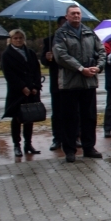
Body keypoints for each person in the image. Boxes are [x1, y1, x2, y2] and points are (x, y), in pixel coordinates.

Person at [53, 5, 106, 163]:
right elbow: (60, 55)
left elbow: (102, 51)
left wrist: (98, 66)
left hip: (89, 82)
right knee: (69, 118)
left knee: (89, 117)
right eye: (73, 14)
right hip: (70, 83)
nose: (76, 16)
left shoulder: (89, 32)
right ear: (67, 16)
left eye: (78, 13)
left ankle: (89, 147)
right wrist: (80, 68)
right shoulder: (60, 34)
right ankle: (70, 150)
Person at [1, 29, 43, 158]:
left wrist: (36, 86)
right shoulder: (7, 54)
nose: (18, 40)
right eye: (15, 38)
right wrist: (22, 87)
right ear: (11, 39)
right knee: (17, 119)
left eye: (20, 38)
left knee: (29, 118)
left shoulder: (30, 53)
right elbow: (9, 74)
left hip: (31, 91)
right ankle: (16, 145)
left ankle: (28, 144)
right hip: (17, 92)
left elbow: (36, 70)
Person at [41, 16, 69, 150]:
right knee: (57, 112)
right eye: (62, 24)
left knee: (72, 112)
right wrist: (47, 59)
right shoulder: (49, 41)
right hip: (57, 82)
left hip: (71, 81)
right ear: (58, 26)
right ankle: (57, 138)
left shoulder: (73, 38)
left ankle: (73, 137)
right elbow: (43, 61)